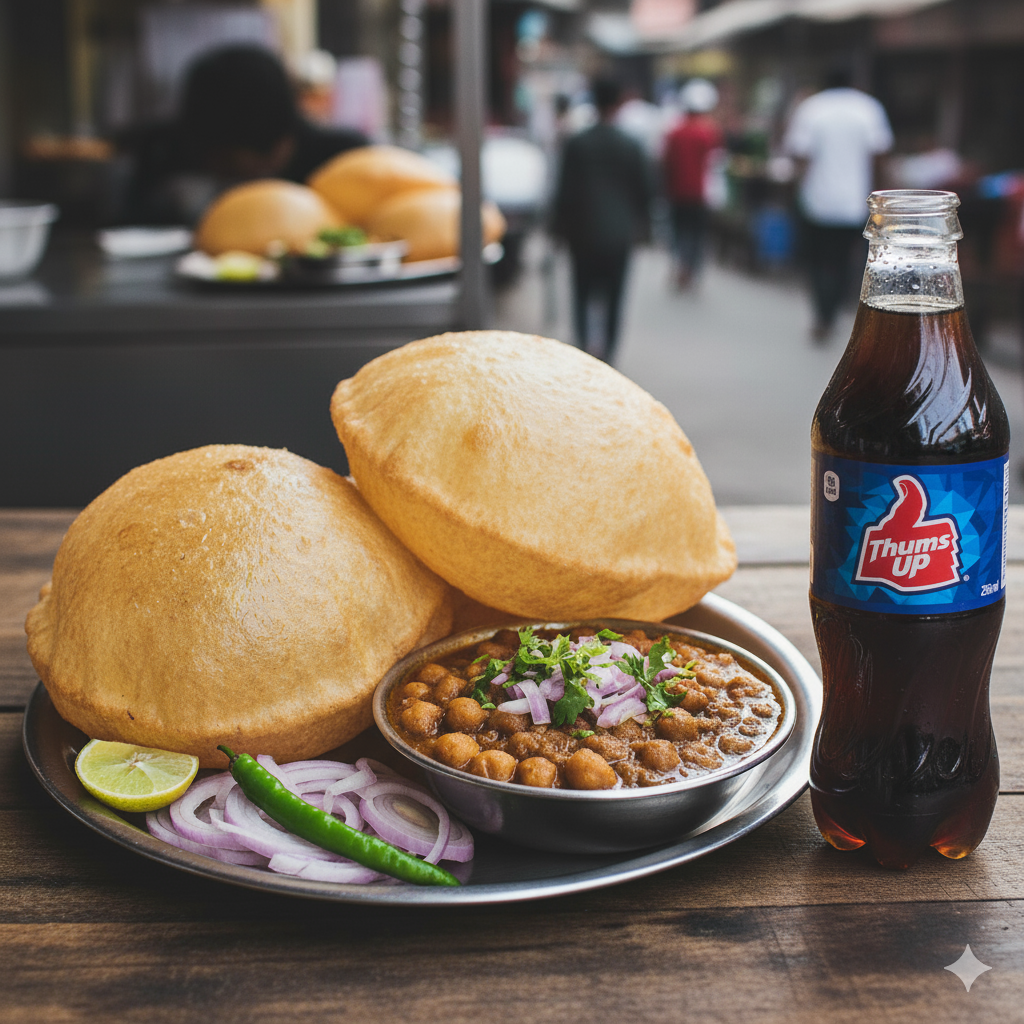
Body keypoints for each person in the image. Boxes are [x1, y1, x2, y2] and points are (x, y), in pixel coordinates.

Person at [118, 45, 367, 225]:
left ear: (282, 143)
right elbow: (129, 226)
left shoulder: (341, 161)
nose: (235, 180)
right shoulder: (167, 154)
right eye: (222, 165)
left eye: (237, 165)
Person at [783, 69, 893, 341]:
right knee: (843, 260)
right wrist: (880, 198)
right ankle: (831, 313)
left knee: (817, 260)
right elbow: (880, 155)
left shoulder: (811, 109)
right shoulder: (868, 109)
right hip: (853, 203)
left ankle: (823, 314)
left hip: (815, 201)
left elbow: (798, 155)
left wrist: (795, 190)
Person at [551, 75, 652, 363]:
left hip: (582, 233)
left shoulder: (577, 143)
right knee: (614, 298)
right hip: (619, 235)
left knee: (582, 295)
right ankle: (608, 354)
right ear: (619, 103)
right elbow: (646, 190)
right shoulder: (631, 145)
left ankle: (584, 352)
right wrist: (643, 228)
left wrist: (557, 230)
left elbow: (564, 191)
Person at [662, 78, 723, 288]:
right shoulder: (709, 132)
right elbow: (715, 165)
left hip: (677, 192)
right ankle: (690, 269)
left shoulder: (674, 132)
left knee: (679, 232)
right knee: (697, 234)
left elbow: (666, 163)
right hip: (699, 194)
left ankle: (682, 266)